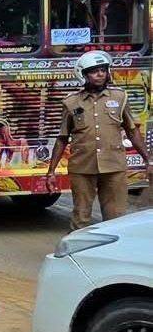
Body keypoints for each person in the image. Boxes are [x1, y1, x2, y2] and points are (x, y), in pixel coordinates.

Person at [46, 50, 153, 229]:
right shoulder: (71, 103)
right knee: (81, 216)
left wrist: (148, 159)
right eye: (95, 71)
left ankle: (112, 253)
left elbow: (132, 131)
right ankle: (77, 253)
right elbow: (62, 138)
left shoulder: (120, 98)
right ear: (84, 75)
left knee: (116, 218)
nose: (100, 74)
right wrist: (51, 172)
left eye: (103, 70)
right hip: (82, 167)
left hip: (114, 167)